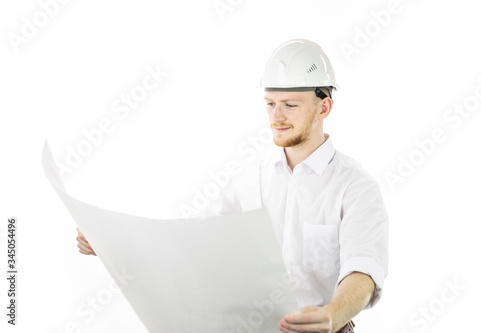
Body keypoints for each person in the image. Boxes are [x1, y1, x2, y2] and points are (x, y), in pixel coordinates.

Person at [76, 39, 388, 333]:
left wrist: (332, 314)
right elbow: (193, 243)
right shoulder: (251, 180)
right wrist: (110, 243)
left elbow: (364, 271)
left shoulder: (356, 187)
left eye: (290, 105)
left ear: (324, 108)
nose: (276, 117)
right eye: (270, 103)